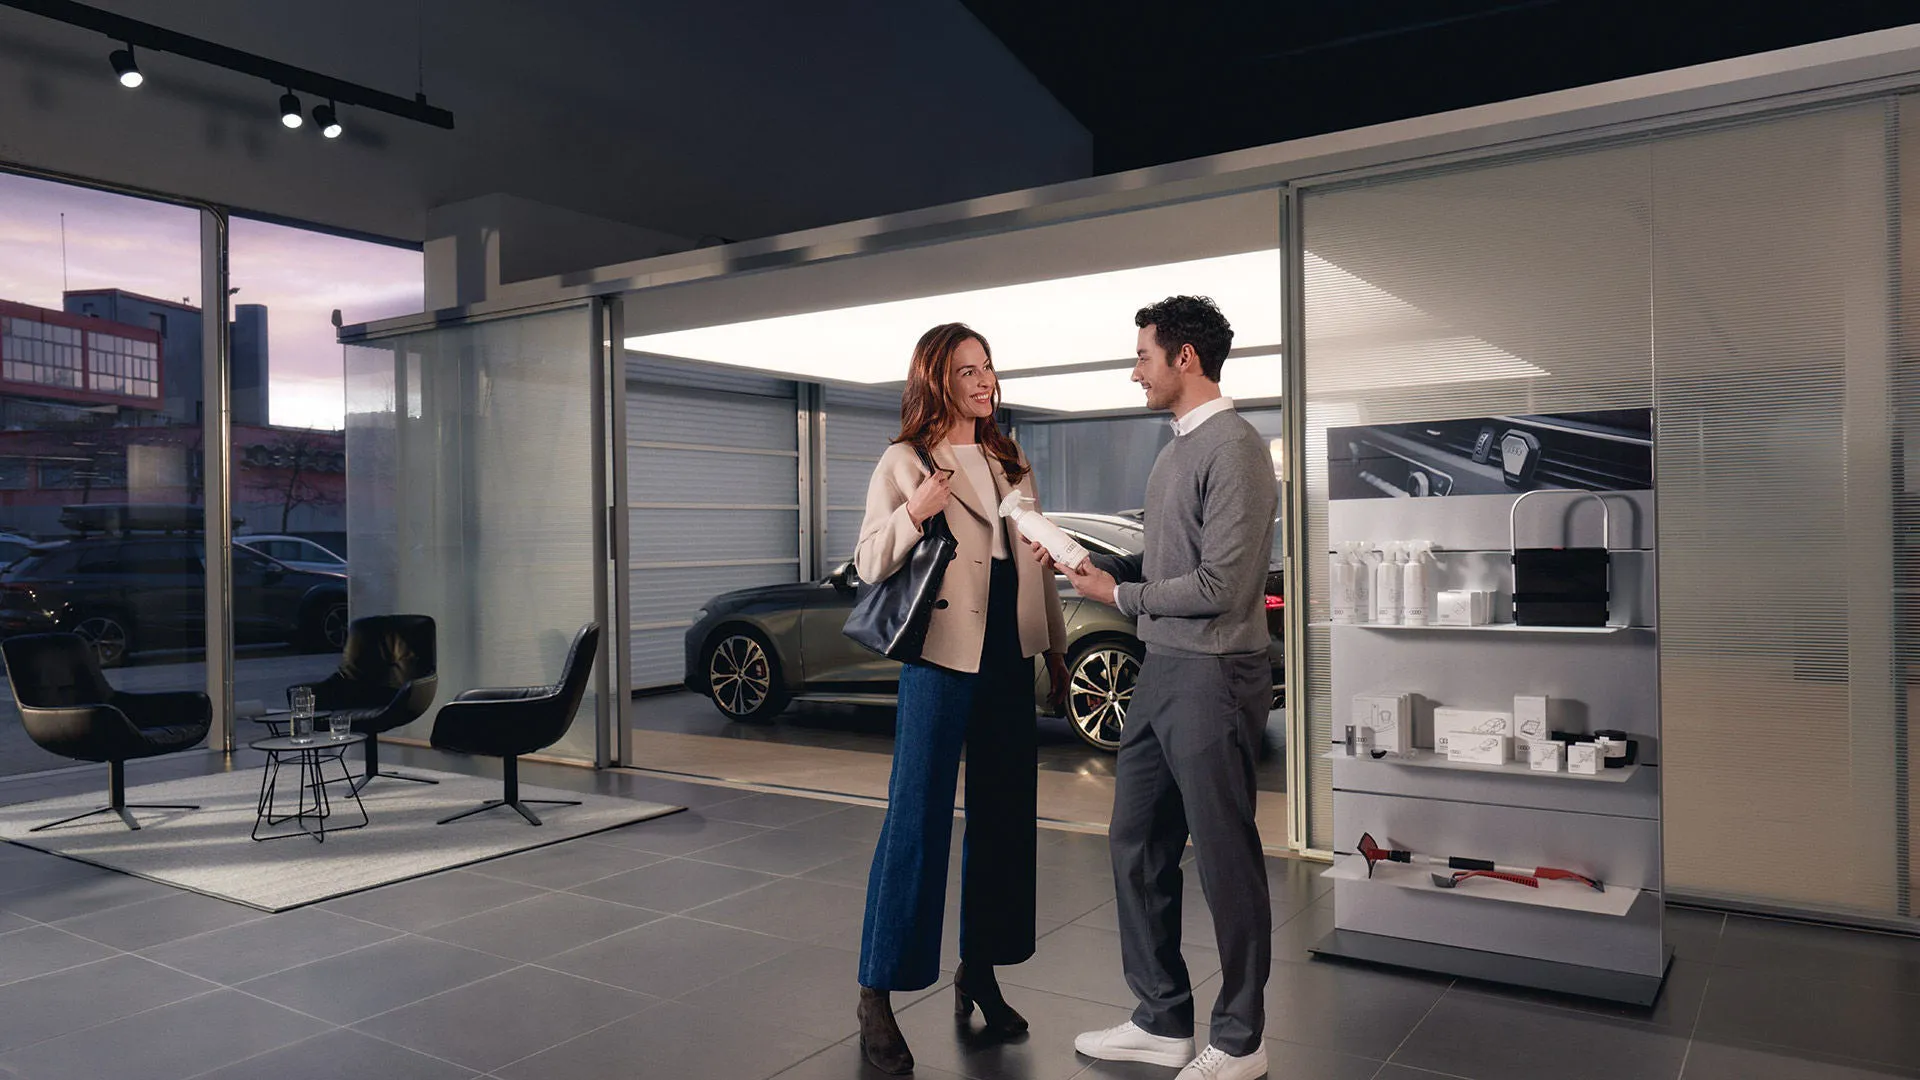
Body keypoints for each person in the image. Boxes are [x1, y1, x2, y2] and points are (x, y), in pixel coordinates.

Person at [1057, 296, 1277, 1080]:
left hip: (1214, 673)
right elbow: (1168, 556)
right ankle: (1161, 1019)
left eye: (1144, 355)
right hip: (1160, 670)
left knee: (1223, 857)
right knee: (1136, 843)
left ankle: (1242, 1040)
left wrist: (1121, 600)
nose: (1135, 369)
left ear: (1186, 358)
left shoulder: (1238, 449)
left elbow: (1218, 583)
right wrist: (1108, 572)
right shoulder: (1173, 450)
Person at [851, 322, 1071, 1076]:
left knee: (1006, 822)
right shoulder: (906, 460)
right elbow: (868, 561)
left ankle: (980, 969)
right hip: (942, 662)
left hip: (1009, 660)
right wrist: (916, 511)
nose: (985, 381)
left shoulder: (1012, 460)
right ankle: (876, 994)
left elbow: (1034, 568)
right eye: (968, 370)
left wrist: (1058, 649)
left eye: (989, 369)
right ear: (937, 378)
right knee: (915, 821)